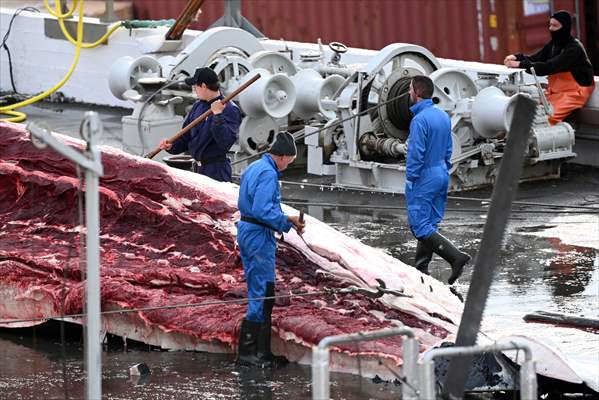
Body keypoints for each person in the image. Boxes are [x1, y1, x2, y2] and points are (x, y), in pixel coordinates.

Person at [236, 132, 305, 368]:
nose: (287, 166)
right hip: (258, 235)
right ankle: (250, 355)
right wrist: (287, 221)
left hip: (249, 230)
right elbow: (263, 210)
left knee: (262, 289)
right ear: (283, 156)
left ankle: (260, 353)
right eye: (289, 161)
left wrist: (288, 219)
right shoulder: (268, 174)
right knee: (262, 291)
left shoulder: (256, 166)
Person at [406, 75, 470, 285]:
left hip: (425, 175)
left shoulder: (419, 120)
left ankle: (456, 258)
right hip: (442, 172)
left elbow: (416, 153)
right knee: (430, 222)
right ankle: (421, 268)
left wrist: (411, 177)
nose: (408, 93)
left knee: (419, 225)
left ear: (417, 92)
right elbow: (449, 148)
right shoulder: (442, 116)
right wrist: (444, 166)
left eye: (409, 89)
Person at [504, 10, 595, 125]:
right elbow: (536, 58)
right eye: (550, 25)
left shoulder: (574, 49)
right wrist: (517, 57)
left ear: (565, 27)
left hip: (574, 93)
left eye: (555, 25)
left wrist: (520, 65)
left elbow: (550, 67)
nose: (551, 29)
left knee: (544, 119)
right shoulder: (553, 45)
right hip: (554, 91)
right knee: (525, 112)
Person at [159, 67, 241, 182]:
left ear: (203, 86)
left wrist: (217, 115)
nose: (194, 89)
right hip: (196, 169)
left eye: (195, 86)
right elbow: (185, 138)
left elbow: (225, 142)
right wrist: (172, 146)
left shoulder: (230, 109)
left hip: (216, 171)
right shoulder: (197, 106)